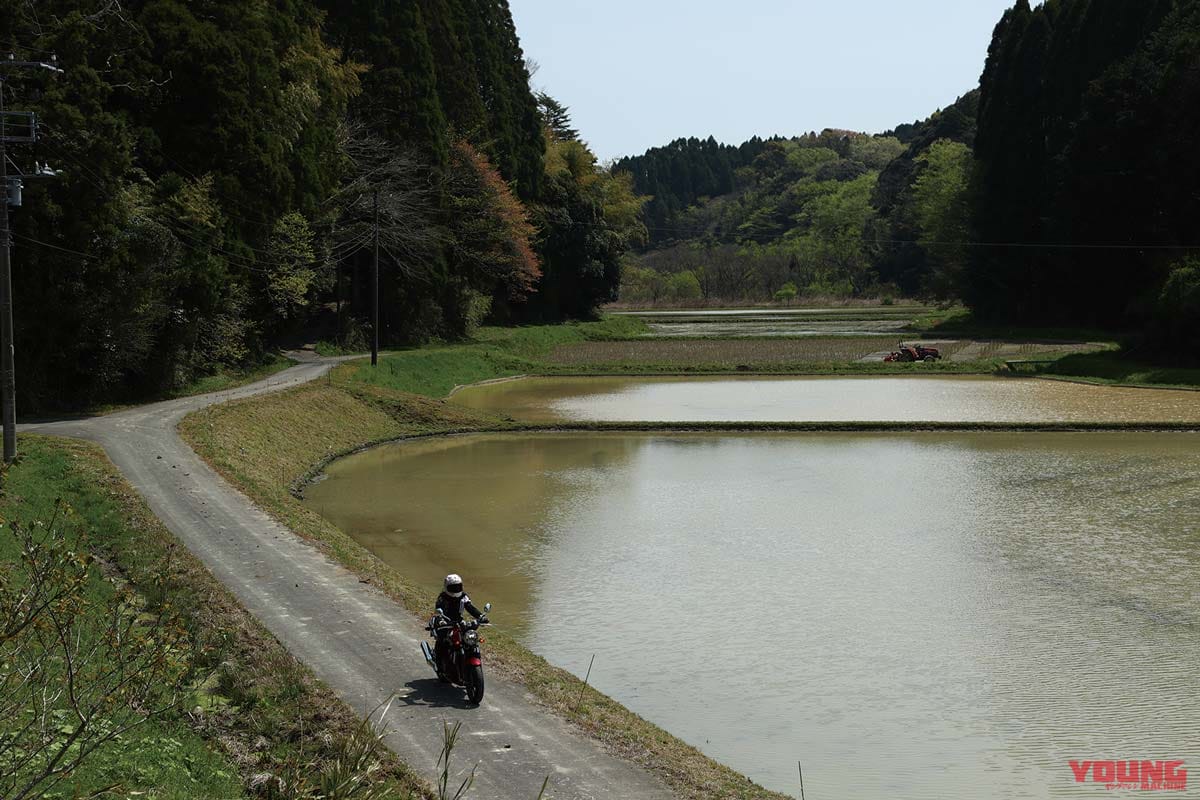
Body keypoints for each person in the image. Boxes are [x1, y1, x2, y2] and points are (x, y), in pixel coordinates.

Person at [432, 573, 488, 674]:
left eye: (458, 586)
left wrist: (480, 616)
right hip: (444, 621)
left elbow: (470, 607)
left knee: (468, 639)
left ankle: (466, 659)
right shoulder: (442, 597)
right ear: (446, 587)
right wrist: (441, 620)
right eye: (453, 587)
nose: (456, 589)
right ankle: (439, 664)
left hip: (458, 620)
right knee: (442, 640)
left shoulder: (463, 596)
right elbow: (438, 609)